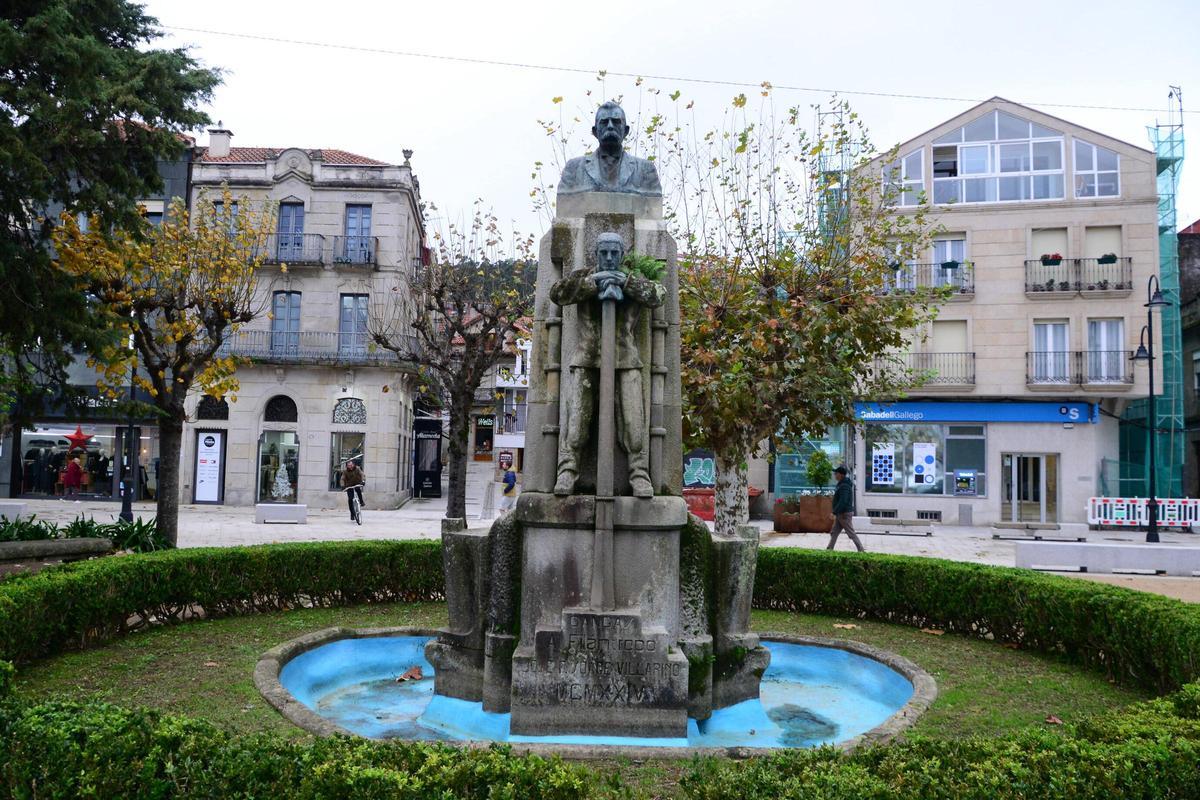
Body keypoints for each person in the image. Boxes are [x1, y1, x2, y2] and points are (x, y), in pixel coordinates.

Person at [551, 233, 665, 498]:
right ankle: (567, 471)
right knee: (577, 421)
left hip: (626, 360)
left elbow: (658, 294)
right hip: (587, 359)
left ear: (622, 255)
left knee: (634, 422)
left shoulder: (631, 277)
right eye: (605, 253)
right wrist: (593, 282)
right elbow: (558, 293)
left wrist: (625, 283)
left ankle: (639, 474)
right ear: (596, 254)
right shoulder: (585, 276)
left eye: (615, 253)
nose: (610, 258)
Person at [557, 102, 662, 197]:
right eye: (604, 122)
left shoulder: (646, 170)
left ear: (626, 131)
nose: (610, 126)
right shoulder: (574, 169)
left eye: (616, 122)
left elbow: (653, 207)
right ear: (595, 131)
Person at [826, 465, 865, 552]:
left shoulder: (844, 486)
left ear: (841, 475)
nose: (835, 475)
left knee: (851, 533)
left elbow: (843, 501)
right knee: (834, 532)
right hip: (841, 513)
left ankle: (861, 549)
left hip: (844, 514)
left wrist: (834, 512)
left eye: (836, 473)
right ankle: (829, 549)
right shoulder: (842, 484)